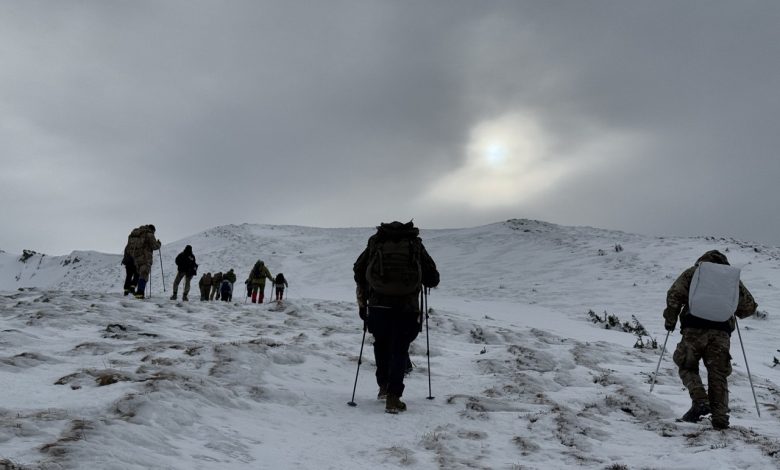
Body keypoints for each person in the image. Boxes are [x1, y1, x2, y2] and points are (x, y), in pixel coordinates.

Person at [663, 249, 757, 430]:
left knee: (686, 365)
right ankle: (720, 418)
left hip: (693, 329)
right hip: (721, 333)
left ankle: (699, 400)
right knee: (718, 374)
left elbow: (674, 294)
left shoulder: (694, 272)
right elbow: (748, 307)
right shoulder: (731, 279)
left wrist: (671, 319)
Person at [353, 221, 439, 413]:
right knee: (400, 349)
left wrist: (367, 293)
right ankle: (393, 397)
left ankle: (383, 386)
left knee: (381, 344)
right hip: (406, 307)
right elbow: (433, 278)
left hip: (378, 305)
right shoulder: (415, 244)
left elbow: (359, 270)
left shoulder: (375, 242)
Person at [123, 224, 161, 299]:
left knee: (134, 275)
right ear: (153, 230)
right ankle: (140, 293)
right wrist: (159, 244)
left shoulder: (136, 234)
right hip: (144, 257)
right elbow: (154, 246)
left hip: (135, 258)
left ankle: (130, 290)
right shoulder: (149, 234)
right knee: (144, 274)